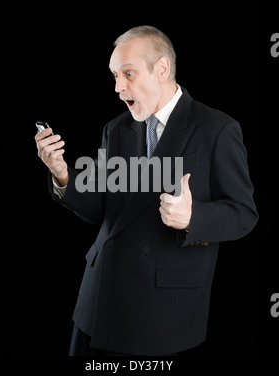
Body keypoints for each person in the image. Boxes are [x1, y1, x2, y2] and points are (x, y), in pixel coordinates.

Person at [35, 26, 258, 356]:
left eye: (128, 73)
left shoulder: (217, 128)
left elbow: (244, 214)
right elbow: (103, 207)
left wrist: (193, 216)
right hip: (99, 300)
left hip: (161, 311)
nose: (118, 87)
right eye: (114, 75)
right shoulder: (117, 128)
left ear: (163, 69)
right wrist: (62, 174)